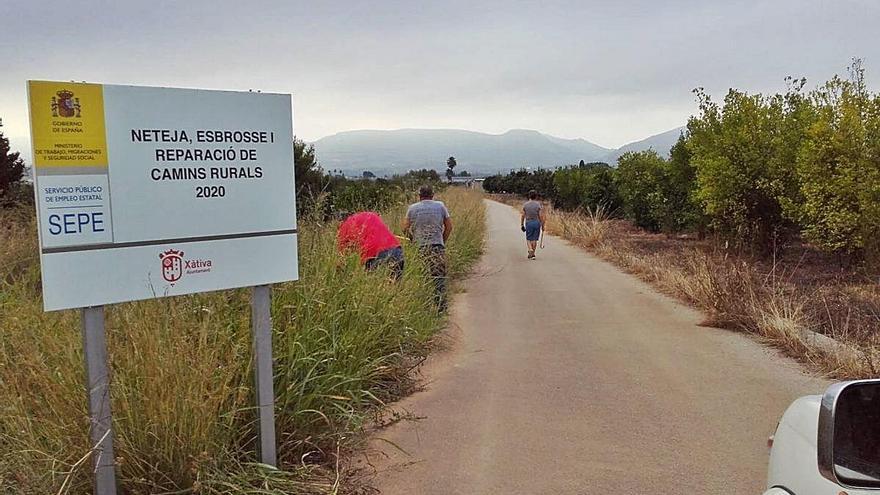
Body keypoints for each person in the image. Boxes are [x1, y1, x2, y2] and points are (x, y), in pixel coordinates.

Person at [403, 185, 453, 311]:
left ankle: (424, 305)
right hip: (437, 245)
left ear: (419, 196)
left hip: (420, 247)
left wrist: (412, 239)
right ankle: (441, 306)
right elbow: (449, 227)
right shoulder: (440, 206)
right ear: (432, 195)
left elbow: (404, 228)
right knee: (438, 277)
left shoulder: (412, 209)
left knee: (422, 276)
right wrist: (442, 241)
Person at [337, 211, 404, 280]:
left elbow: (342, 258)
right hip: (397, 250)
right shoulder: (369, 214)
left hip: (375, 256)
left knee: (376, 288)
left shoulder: (345, 226)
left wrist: (339, 276)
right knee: (395, 286)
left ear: (341, 222)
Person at [521, 189, 545, 259]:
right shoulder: (538, 205)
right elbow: (540, 216)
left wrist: (522, 224)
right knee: (534, 239)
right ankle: (533, 254)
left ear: (529, 196)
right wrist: (542, 225)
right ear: (536, 196)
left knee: (528, 238)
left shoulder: (525, 205)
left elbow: (523, 215)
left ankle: (530, 249)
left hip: (529, 222)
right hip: (537, 222)